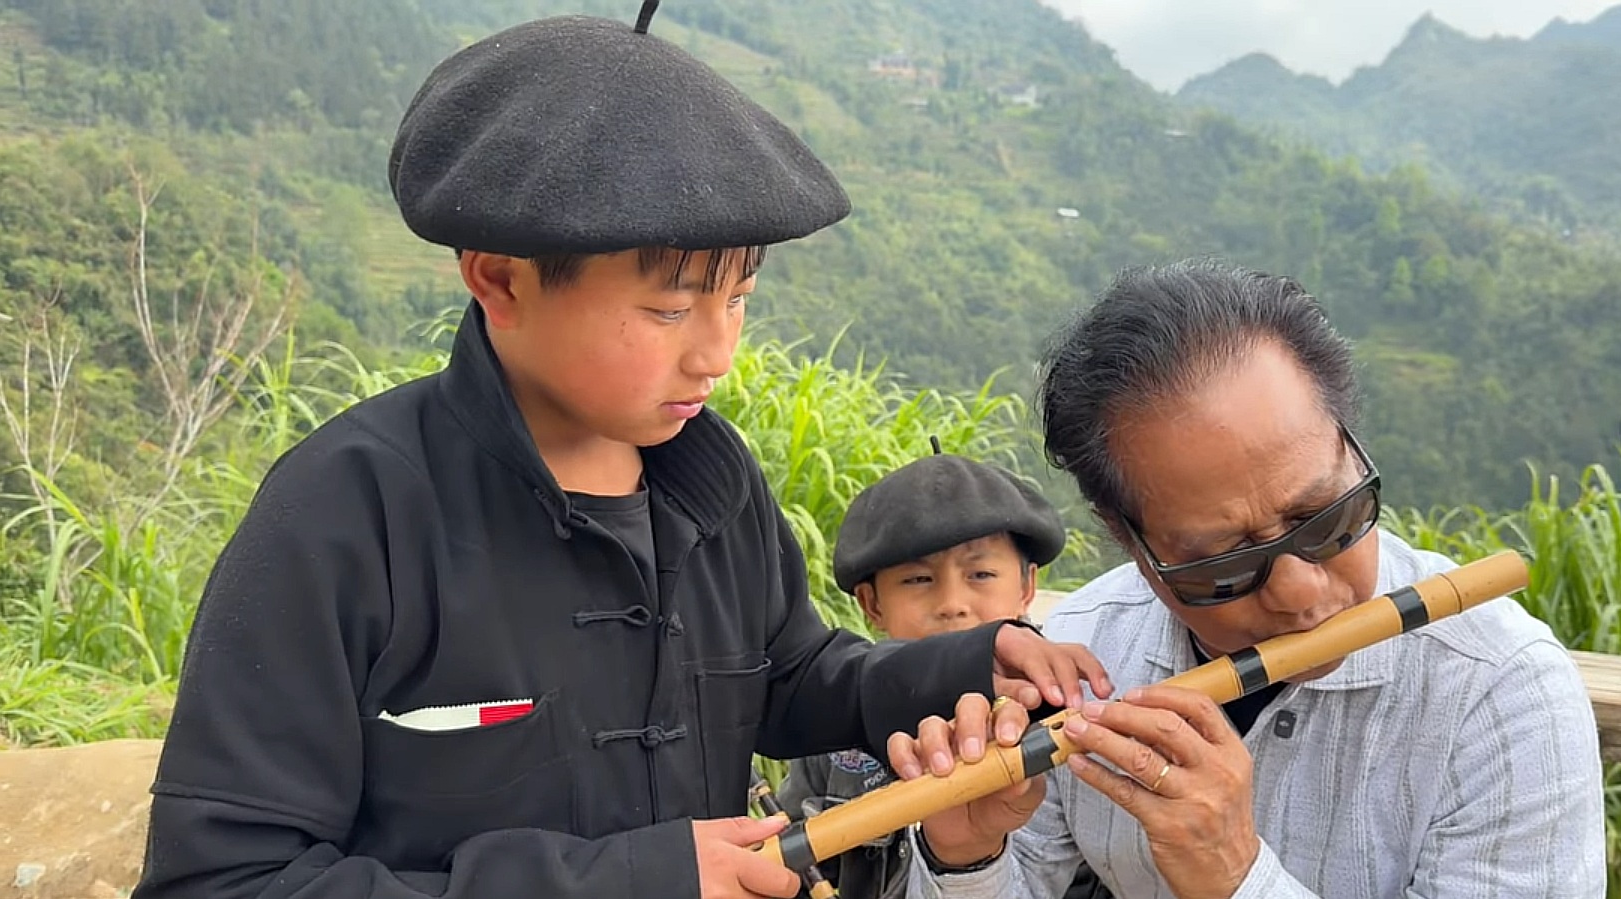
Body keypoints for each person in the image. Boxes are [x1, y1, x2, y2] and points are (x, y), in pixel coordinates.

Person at [130, 9, 1109, 899]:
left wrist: (968, 662)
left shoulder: (707, 481)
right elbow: (223, 877)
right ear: (501, 279)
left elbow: (786, 675)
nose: (717, 351)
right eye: (669, 305)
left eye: (739, 296)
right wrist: (629, 877)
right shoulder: (349, 515)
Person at [887, 258, 1608, 897]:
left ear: (1353, 449)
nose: (1300, 590)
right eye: (1224, 561)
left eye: (1327, 517)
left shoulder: (1503, 695)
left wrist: (1234, 875)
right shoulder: (1083, 650)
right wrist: (964, 857)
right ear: (1129, 540)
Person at [771, 443, 1069, 899]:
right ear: (871, 604)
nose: (952, 604)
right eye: (918, 580)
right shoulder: (837, 715)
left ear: (1027, 585)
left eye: (981, 575)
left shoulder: (1058, 720)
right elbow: (791, 855)